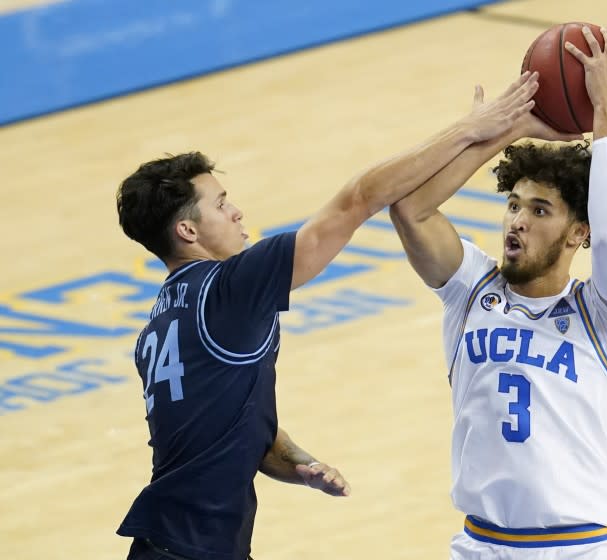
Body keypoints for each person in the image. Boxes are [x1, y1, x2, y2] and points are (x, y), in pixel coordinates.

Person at [113, 71, 553, 560]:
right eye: (220, 205)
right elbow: (360, 198)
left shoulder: (158, 325)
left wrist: (296, 460)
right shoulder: (229, 289)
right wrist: (475, 130)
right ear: (188, 231)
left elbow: (221, 427)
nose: (237, 212)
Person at [389, 27, 607, 559]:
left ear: (580, 232)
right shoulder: (471, 292)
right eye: (514, 204)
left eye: (539, 210)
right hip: (481, 544)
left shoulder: (605, 314)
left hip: (580, 548)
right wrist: (501, 133)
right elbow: (409, 209)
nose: (517, 221)